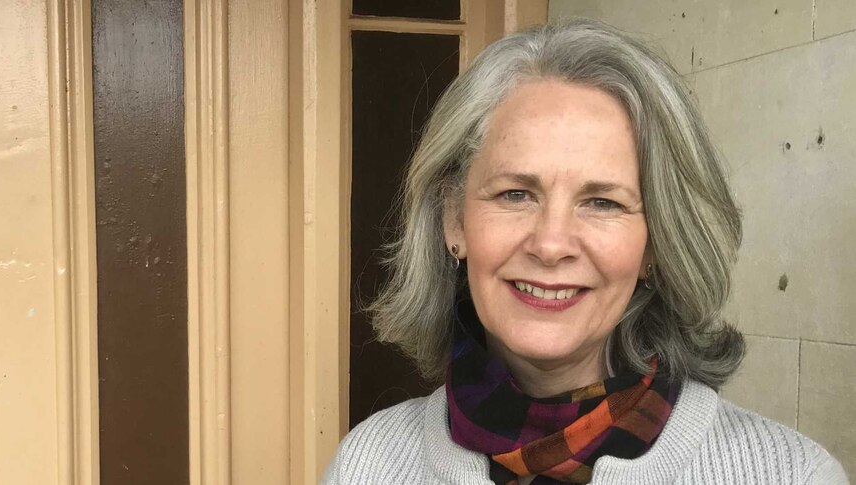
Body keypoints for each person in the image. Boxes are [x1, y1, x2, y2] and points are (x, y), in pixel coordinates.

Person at [322, 19, 849, 485]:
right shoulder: (368, 465)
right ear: (454, 220)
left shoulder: (790, 473)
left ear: (656, 245)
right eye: (515, 194)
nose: (551, 244)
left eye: (602, 202)